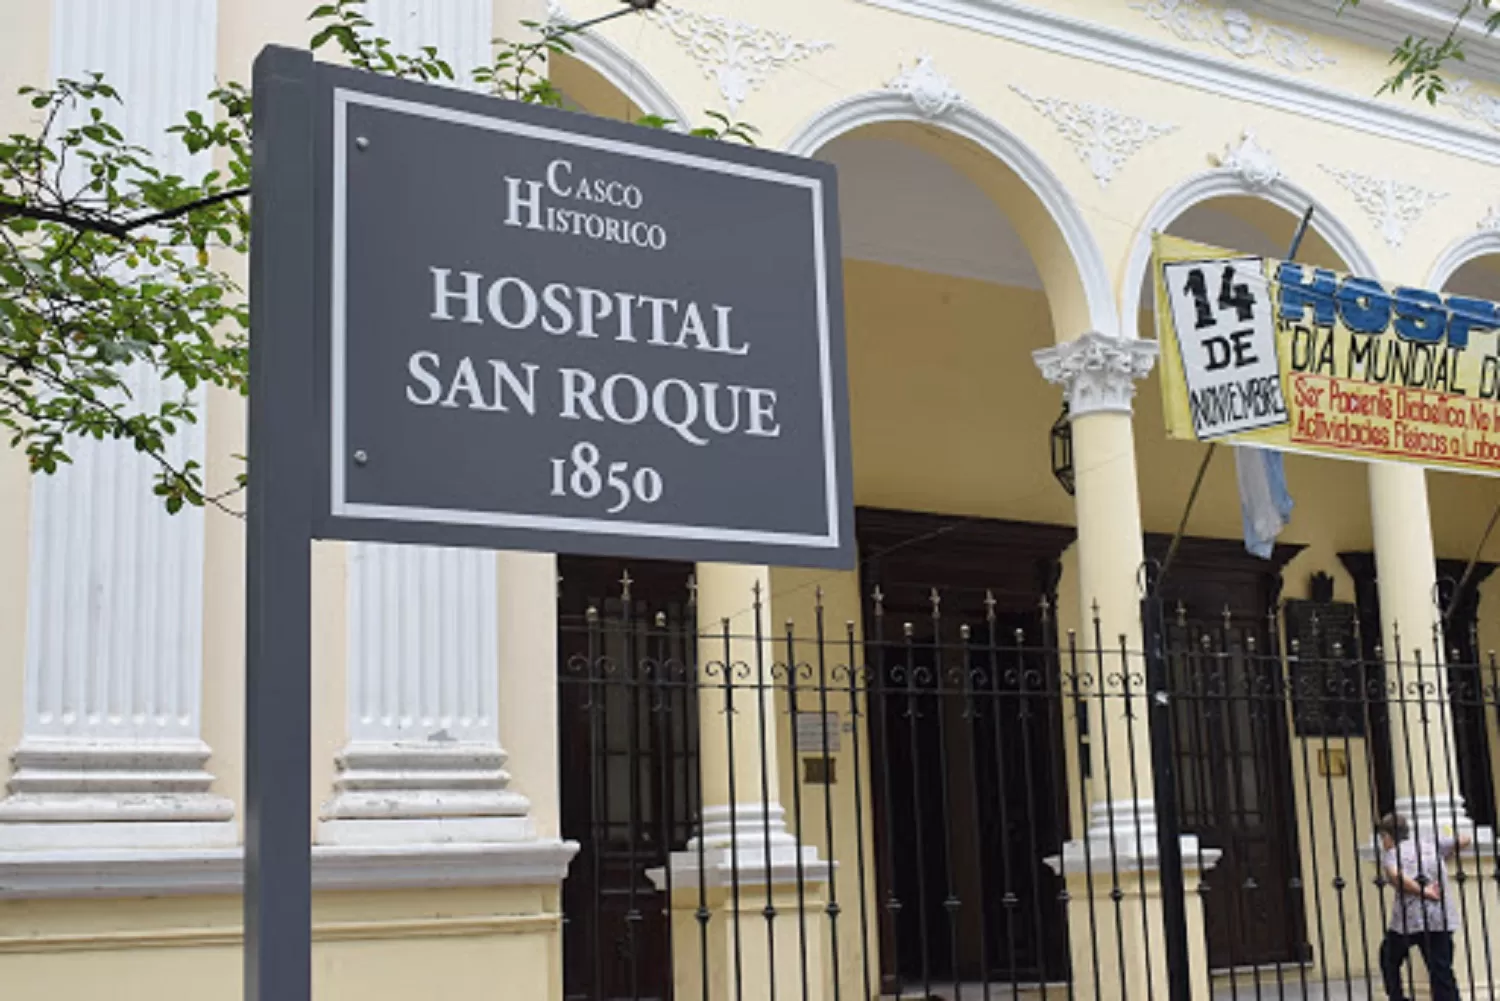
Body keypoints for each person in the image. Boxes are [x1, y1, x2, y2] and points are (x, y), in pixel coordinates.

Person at [1377, 812, 1473, 1001]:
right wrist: (1446, 855)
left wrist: (1423, 891)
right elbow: (1465, 839)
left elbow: (1395, 876)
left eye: (1383, 838)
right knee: (1441, 969)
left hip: (1409, 921)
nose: (1383, 843)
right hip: (1439, 918)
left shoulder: (1392, 854)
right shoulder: (1429, 845)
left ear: (1388, 837)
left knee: (1389, 956)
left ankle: (1397, 997)